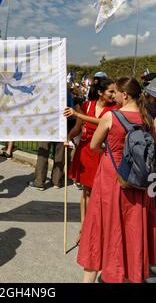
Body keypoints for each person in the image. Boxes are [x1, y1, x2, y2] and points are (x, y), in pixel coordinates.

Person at [78, 77, 156, 283]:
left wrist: (111, 149)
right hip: (138, 180)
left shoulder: (111, 117)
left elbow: (94, 146)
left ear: (125, 95)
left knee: (100, 227)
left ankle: (91, 278)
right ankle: (129, 274)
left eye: (117, 93)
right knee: (131, 228)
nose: (114, 96)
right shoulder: (147, 118)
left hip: (112, 177)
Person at [64, 78, 118, 244]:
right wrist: (68, 137)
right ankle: (84, 229)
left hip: (103, 153)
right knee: (86, 192)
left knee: (102, 194)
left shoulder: (115, 109)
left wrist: (78, 114)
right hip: (86, 151)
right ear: (101, 92)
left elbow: (102, 122)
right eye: (111, 91)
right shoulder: (87, 105)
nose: (114, 95)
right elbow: (78, 126)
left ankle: (99, 230)